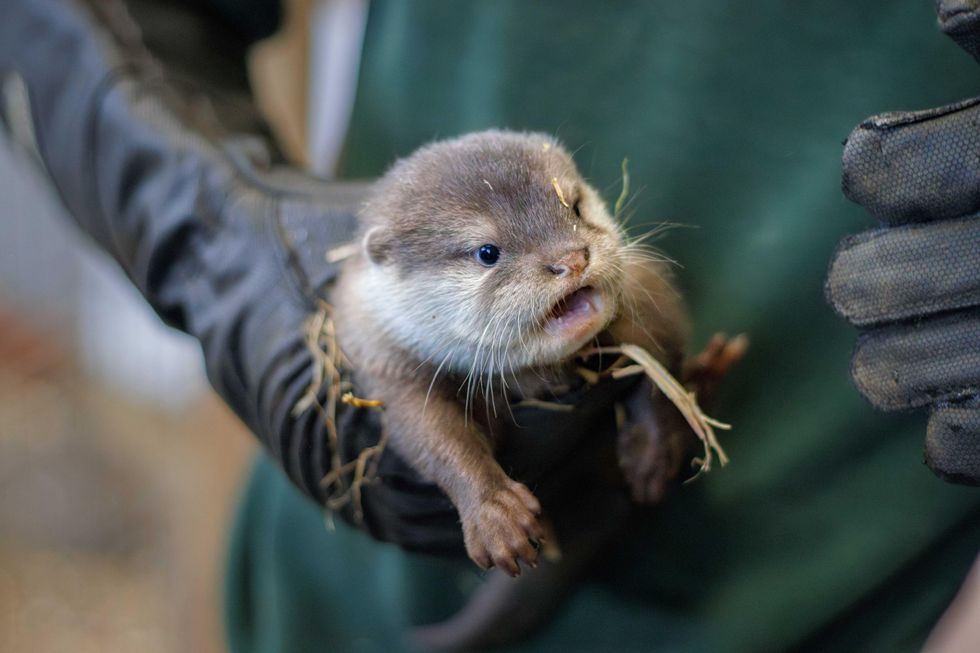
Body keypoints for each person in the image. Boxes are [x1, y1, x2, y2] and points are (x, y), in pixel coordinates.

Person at [1, 1, 977, 651]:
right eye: (486, 257)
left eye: (574, 215)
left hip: (823, 585)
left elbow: (646, 319)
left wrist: (655, 406)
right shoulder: (382, 321)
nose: (570, 257)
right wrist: (206, 224)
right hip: (339, 599)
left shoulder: (600, 265)